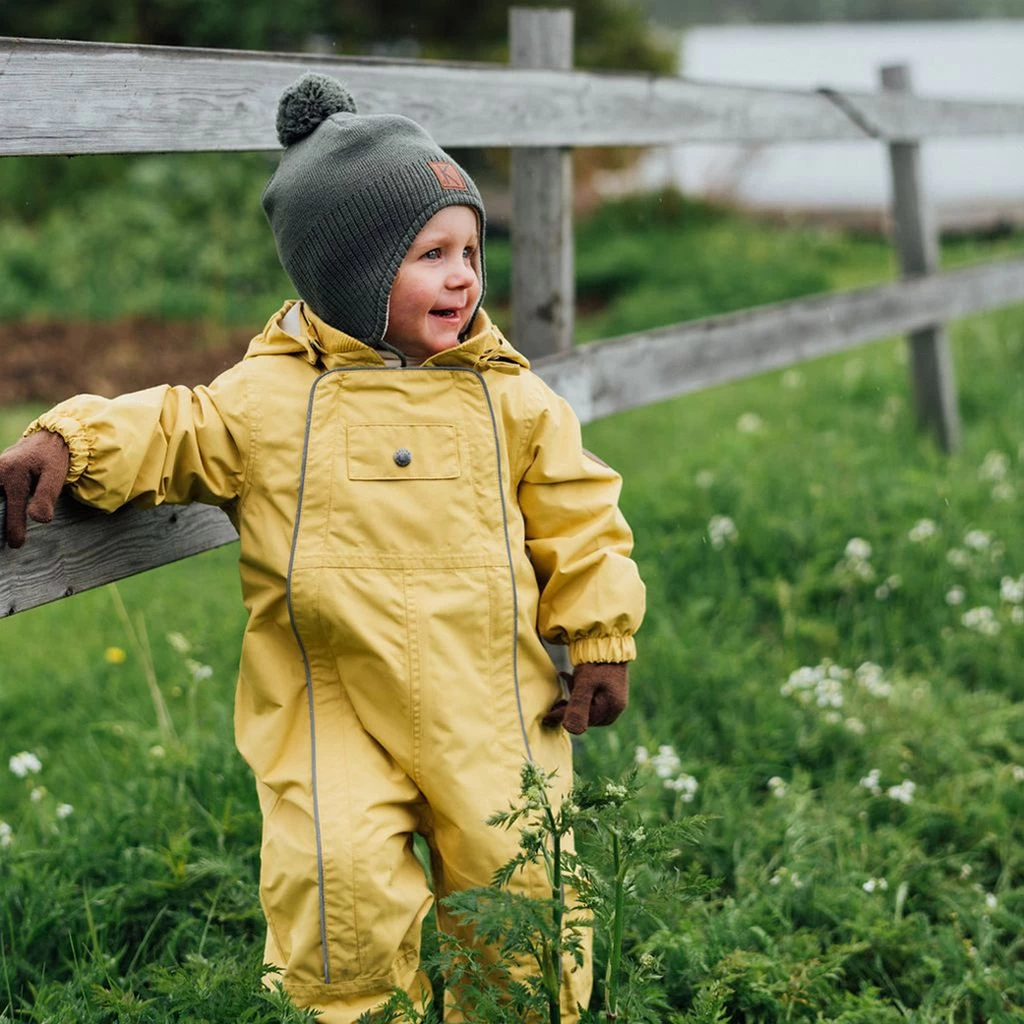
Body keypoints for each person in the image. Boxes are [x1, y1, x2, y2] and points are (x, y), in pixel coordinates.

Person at [0, 74, 646, 1023]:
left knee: (521, 893)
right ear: (352, 271)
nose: (465, 275)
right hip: (328, 704)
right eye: (432, 255)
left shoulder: (508, 396)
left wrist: (601, 636)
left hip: (497, 702)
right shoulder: (268, 398)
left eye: (470, 249)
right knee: (336, 898)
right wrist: (68, 442)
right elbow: (174, 428)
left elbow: (580, 513)